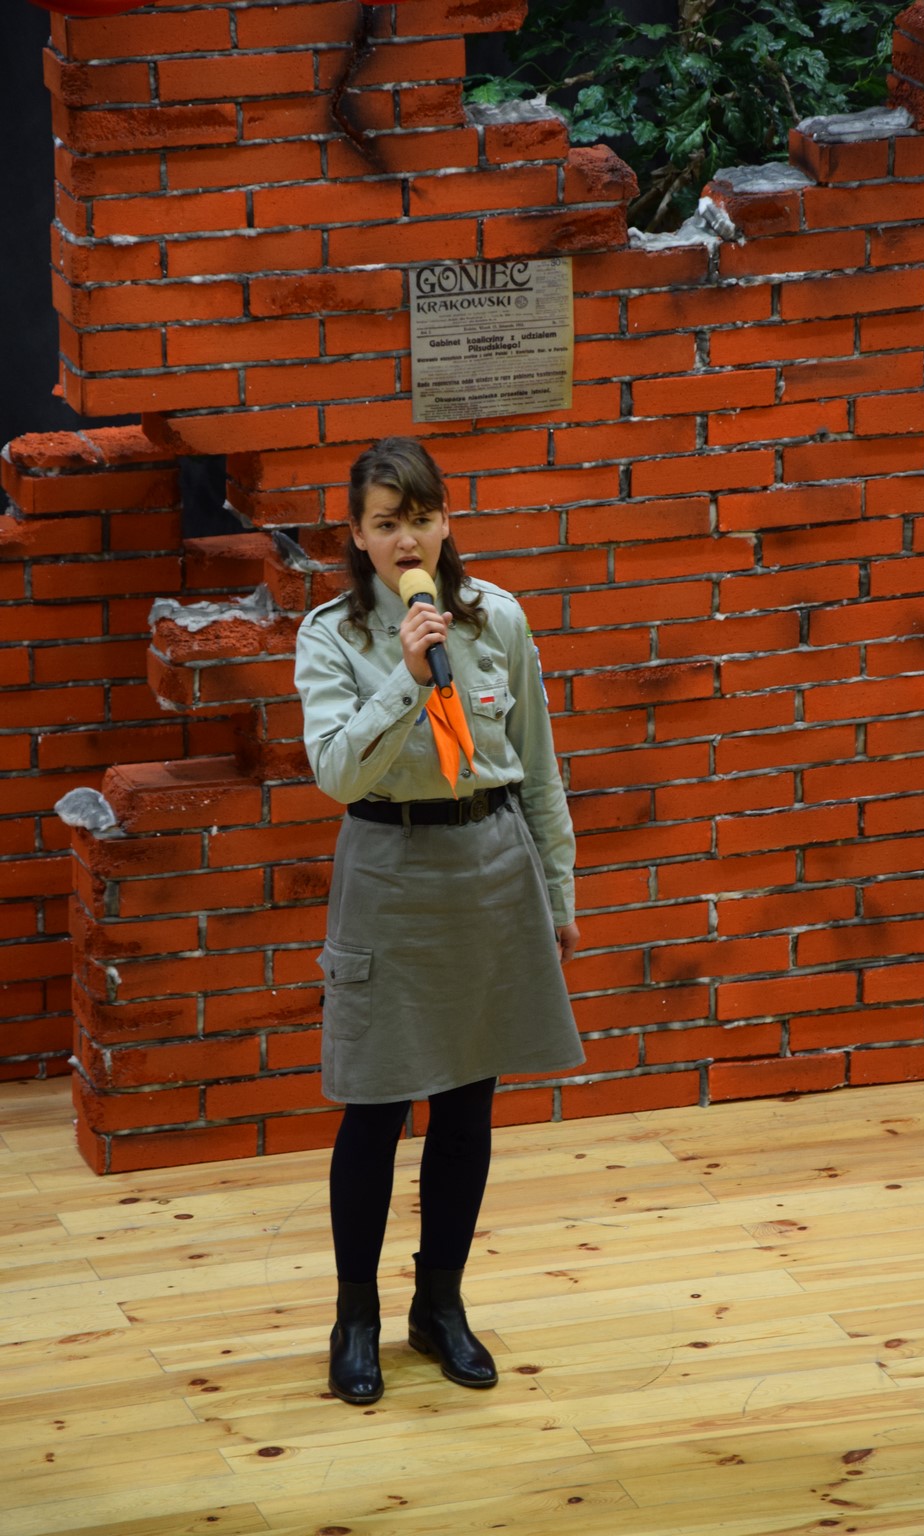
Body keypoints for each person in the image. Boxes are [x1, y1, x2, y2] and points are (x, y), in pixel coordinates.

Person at [293, 436, 583, 1405]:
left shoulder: (496, 617)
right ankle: (356, 1318)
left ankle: (440, 1305)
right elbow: (337, 773)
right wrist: (408, 676)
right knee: (375, 1108)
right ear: (357, 535)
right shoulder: (332, 636)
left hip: (490, 869)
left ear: (446, 520)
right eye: (387, 523)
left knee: (468, 1102)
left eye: (421, 517)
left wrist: (559, 894)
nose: (407, 538)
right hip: (388, 868)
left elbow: (538, 769)